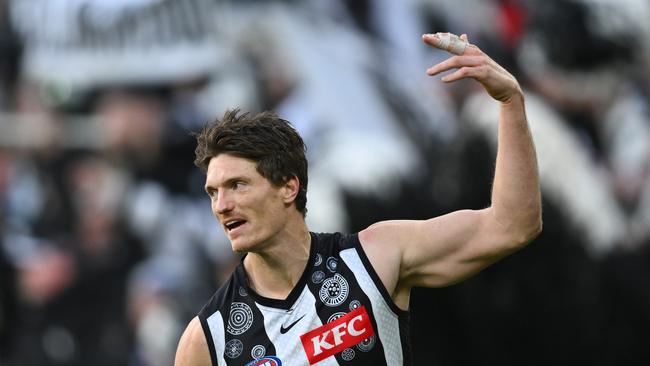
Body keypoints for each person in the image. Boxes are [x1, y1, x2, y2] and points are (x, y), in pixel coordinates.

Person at [174, 32, 542, 366]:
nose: (221, 205)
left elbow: (512, 225)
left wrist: (509, 101)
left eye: (237, 185)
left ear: (288, 187)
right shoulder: (206, 339)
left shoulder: (374, 258)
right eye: (213, 192)